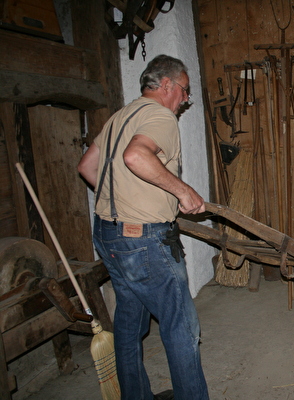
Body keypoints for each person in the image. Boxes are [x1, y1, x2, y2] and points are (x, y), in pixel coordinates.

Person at [77, 55, 210, 399]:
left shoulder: (120, 117)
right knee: (181, 327)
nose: (185, 100)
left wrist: (122, 200)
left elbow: (88, 166)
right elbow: (136, 156)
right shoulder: (160, 116)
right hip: (146, 242)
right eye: (184, 90)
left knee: (128, 323)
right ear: (166, 85)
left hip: (108, 235)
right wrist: (183, 191)